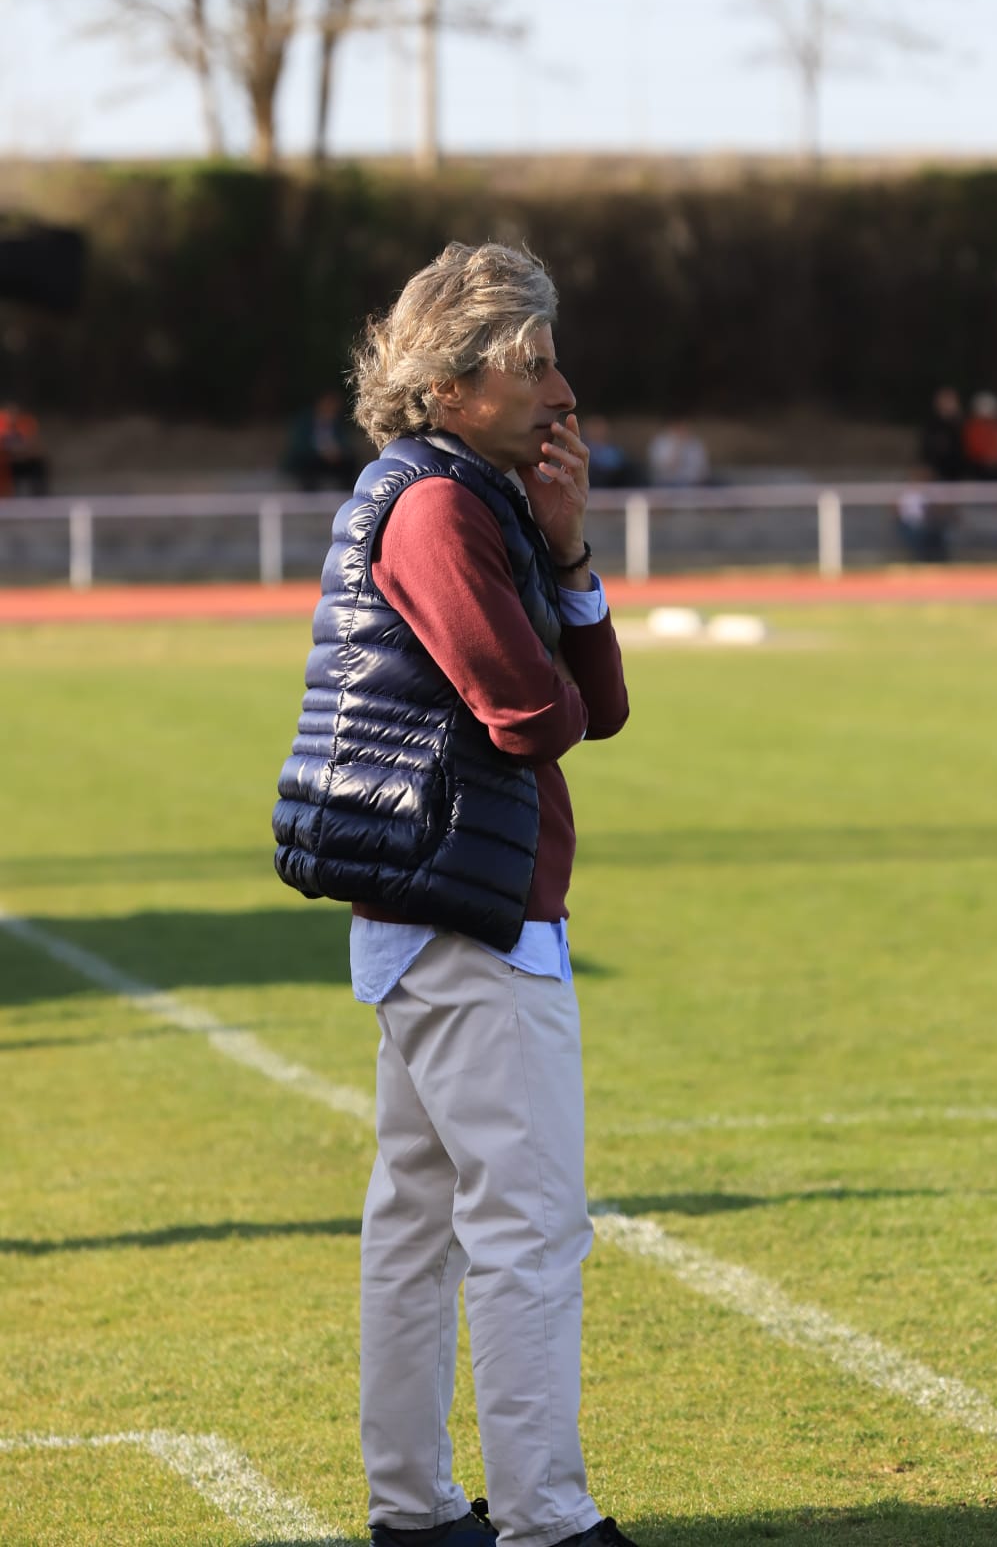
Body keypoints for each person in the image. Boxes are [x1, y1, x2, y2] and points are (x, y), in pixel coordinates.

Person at [272, 242, 633, 1547]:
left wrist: (571, 550)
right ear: (454, 382)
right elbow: (538, 713)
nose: (558, 386)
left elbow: (606, 707)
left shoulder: (464, 496)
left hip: (444, 910)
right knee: (527, 1229)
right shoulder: (433, 508)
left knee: (419, 1227)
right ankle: (547, 1522)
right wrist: (548, 572)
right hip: (472, 914)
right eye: (529, 361)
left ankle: (416, 1512)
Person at [281, 389, 358, 490]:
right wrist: (321, 452)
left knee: (349, 464)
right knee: (307, 468)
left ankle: (347, 495)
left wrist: (337, 453)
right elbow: (299, 445)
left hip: (333, 460)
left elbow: (344, 443)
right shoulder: (305, 420)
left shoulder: (337, 423)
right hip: (310, 457)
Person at [0, 400, 49, 495]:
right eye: (9, 412)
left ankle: (40, 497)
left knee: (38, 465)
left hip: (21, 460)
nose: (12, 416)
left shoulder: (26, 423)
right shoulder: (1, 424)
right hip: (5, 462)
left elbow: (31, 444)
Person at [918, 386, 965, 482]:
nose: (947, 404)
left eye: (950, 400)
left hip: (959, 475)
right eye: (944, 400)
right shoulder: (931, 426)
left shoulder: (963, 425)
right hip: (936, 475)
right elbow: (926, 452)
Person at [645, 418, 709, 488]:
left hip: (691, 484)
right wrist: (678, 446)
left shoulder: (695, 444)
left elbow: (702, 470)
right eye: (680, 426)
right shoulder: (660, 443)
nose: (683, 430)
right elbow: (666, 468)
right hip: (666, 484)